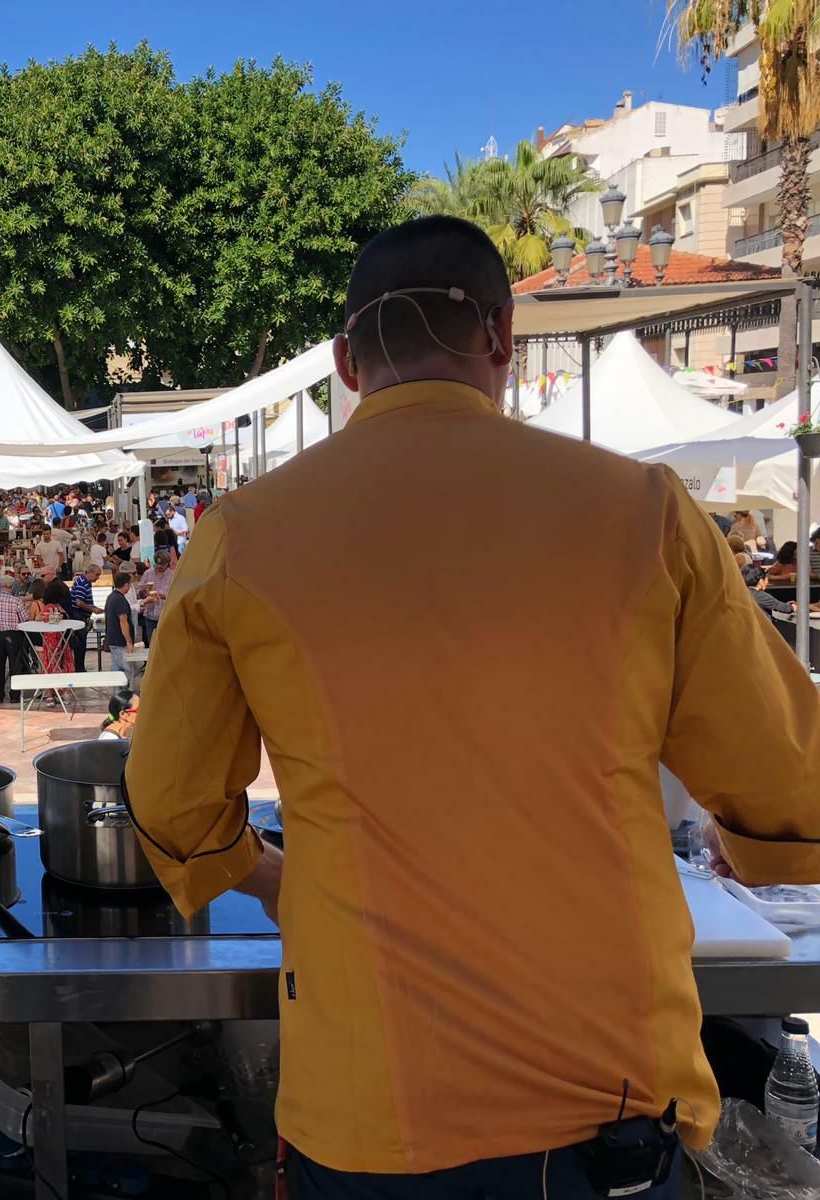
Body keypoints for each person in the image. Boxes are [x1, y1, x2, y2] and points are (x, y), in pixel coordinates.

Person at [126, 215, 820, 1199]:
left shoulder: (244, 535)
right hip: (602, 1107)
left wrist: (267, 874)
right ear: (501, 337)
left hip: (367, 1112)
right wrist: (745, 845)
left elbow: (169, 805)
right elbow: (790, 786)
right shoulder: (645, 513)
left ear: (346, 363)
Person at [0, 575, 27, 704]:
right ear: (12, 586)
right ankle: (14, 695)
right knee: (15, 666)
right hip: (13, 634)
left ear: (0, 586)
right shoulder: (17, 601)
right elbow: (24, 618)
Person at [68, 564, 103, 671]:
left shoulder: (84, 582)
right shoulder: (82, 584)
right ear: (90, 572)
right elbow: (79, 602)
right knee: (80, 644)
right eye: (97, 575)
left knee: (81, 644)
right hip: (79, 616)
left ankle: (80, 667)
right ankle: (79, 668)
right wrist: (92, 609)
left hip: (80, 615)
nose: (98, 577)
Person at [103, 570, 136, 684]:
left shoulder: (111, 597)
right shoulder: (120, 600)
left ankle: (117, 696)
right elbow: (123, 622)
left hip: (113, 639)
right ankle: (124, 695)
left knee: (117, 669)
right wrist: (129, 641)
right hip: (119, 640)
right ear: (126, 584)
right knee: (125, 670)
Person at [138, 551, 176, 645]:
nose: (159, 566)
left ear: (167, 563)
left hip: (166, 616)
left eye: (162, 564)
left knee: (166, 644)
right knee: (152, 644)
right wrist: (143, 592)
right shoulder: (148, 573)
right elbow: (140, 592)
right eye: (157, 563)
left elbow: (176, 595)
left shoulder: (173, 575)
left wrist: (164, 596)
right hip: (150, 616)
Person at [38, 579, 73, 674]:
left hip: (60, 637)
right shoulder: (50, 606)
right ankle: (52, 686)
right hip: (53, 638)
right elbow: (39, 617)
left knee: (59, 659)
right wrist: (53, 617)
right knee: (53, 660)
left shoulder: (57, 605)